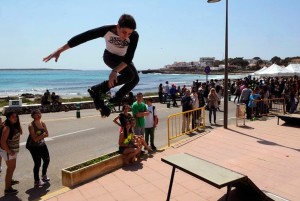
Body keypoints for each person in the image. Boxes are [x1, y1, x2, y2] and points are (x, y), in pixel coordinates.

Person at [43, 14, 139, 116]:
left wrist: (115, 71)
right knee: (129, 75)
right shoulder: (106, 30)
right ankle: (98, 89)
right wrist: (60, 50)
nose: (126, 36)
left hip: (124, 59)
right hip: (110, 57)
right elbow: (83, 37)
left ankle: (110, 104)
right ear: (118, 26)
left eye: (129, 34)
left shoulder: (134, 36)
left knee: (135, 79)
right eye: (124, 32)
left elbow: (129, 58)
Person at [0, 112, 22, 195]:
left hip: (9, 151)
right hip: (9, 151)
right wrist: (9, 151)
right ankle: (7, 188)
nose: (15, 118)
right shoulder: (7, 127)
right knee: (11, 168)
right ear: (8, 118)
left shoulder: (10, 125)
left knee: (10, 168)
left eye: (16, 116)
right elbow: (2, 142)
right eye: (13, 117)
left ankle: (9, 181)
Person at [27, 109, 50, 187]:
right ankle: (36, 181)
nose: (39, 115)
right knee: (37, 163)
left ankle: (44, 175)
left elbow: (47, 134)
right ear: (33, 116)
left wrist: (42, 136)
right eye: (37, 114)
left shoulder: (42, 123)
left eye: (39, 113)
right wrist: (43, 135)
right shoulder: (31, 126)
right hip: (34, 147)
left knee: (47, 160)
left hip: (42, 144)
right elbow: (35, 139)